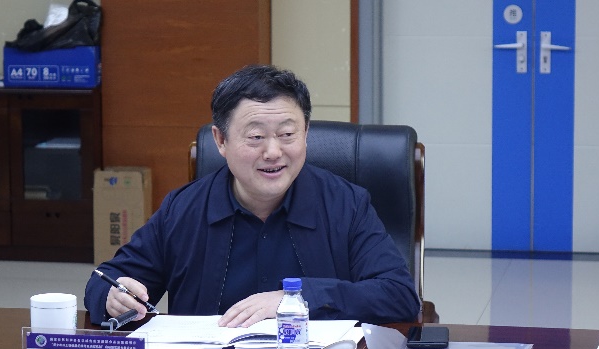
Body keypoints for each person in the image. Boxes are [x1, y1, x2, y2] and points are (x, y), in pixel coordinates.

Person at [84, 64, 420, 327]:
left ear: (306, 133)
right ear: (221, 141)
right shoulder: (183, 209)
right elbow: (106, 280)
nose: (273, 152)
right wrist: (113, 297)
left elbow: (399, 295)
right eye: (256, 137)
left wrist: (295, 299)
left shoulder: (346, 204)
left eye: (287, 134)